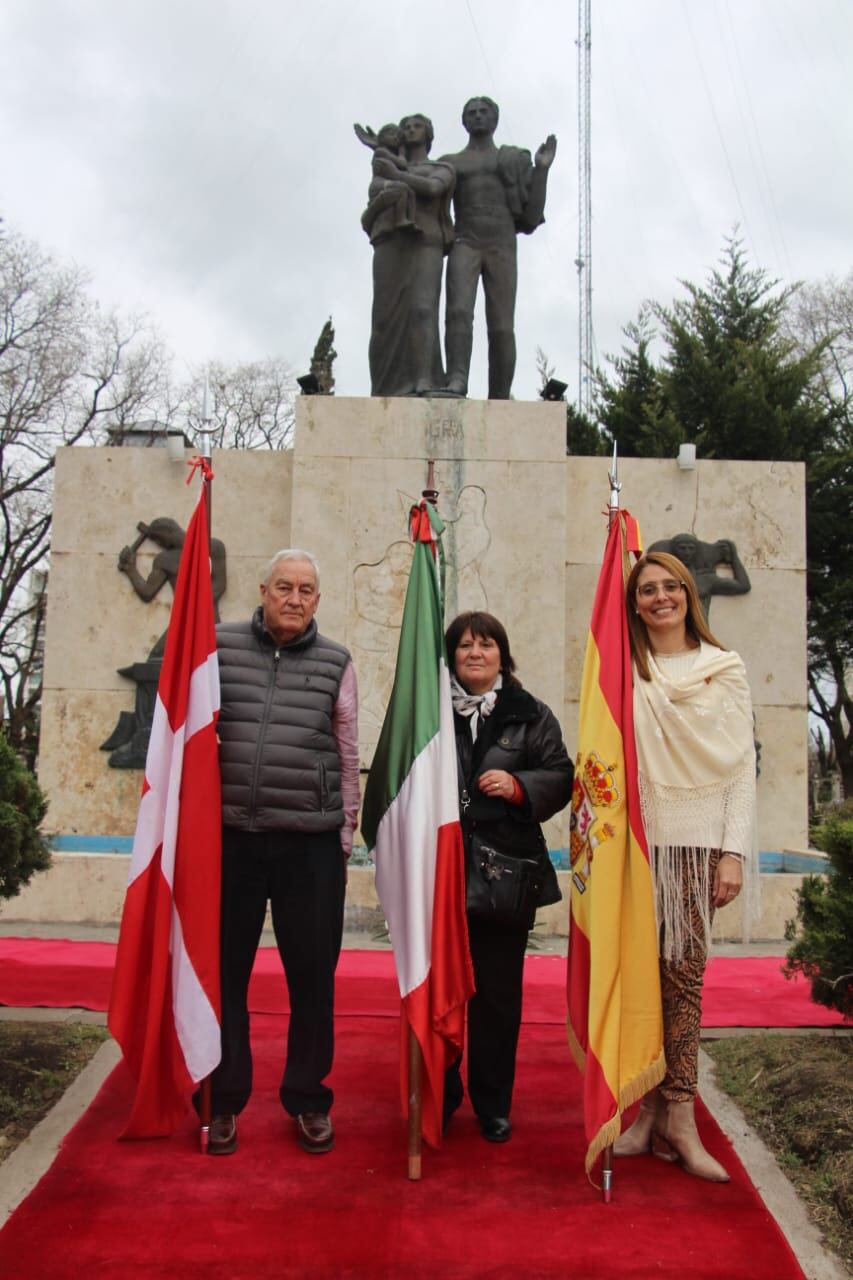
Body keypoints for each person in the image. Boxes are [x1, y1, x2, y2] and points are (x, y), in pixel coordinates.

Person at [205, 549, 360, 1156]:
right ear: (262, 589)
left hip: (310, 844)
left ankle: (308, 1097)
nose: (294, 599)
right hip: (231, 840)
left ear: (318, 600)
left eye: (306, 590)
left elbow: (347, 750)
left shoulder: (336, 662)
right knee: (224, 976)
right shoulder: (216, 646)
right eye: (284, 587)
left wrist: (345, 832)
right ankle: (222, 1099)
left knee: (313, 979)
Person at [615, 551, 757, 1182]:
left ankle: (680, 1118)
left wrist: (733, 851)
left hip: (698, 847)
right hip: (639, 843)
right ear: (635, 601)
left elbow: (739, 767)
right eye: (648, 589)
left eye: (671, 586)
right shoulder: (625, 667)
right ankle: (646, 1112)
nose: (661, 597)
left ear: (688, 595)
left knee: (684, 983)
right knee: (642, 982)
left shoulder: (722, 667)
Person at [444, 611, 572, 1142]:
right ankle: (440, 1093)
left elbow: (561, 775)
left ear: (503, 654)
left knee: (498, 999)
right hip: (442, 874)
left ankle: (492, 1102)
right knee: (442, 992)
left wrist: (520, 786)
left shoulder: (530, 713)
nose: (476, 653)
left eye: (487, 644)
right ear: (450, 655)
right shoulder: (427, 711)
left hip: (504, 876)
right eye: (465, 645)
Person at [440, 96, 556, 399]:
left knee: (502, 326)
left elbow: (531, 217)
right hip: (464, 241)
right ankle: (457, 379)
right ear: (464, 122)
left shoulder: (513, 159)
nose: (478, 117)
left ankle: (500, 394)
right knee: (457, 312)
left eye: (484, 112)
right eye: (472, 113)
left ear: (495, 120)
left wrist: (542, 170)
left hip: (501, 244)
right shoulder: (451, 162)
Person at [359, 112, 455, 397]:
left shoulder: (443, 167)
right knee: (383, 317)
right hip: (390, 242)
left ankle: (425, 379)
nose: (411, 130)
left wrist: (396, 176)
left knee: (423, 310)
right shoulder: (383, 165)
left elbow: (433, 188)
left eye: (417, 126)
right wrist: (386, 166)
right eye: (406, 127)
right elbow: (372, 201)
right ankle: (384, 387)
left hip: (427, 241)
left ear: (428, 134)